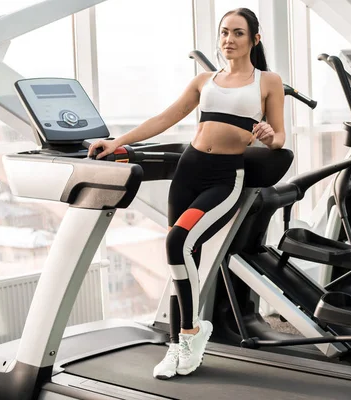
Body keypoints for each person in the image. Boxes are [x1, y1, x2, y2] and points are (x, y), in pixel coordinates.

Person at [87, 7, 285, 378]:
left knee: (178, 242)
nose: (229, 39)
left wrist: (270, 138)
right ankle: (177, 345)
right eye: (225, 32)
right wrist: (118, 142)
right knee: (180, 257)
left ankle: (191, 334)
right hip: (188, 172)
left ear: (254, 39)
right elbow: (165, 117)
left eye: (238, 33)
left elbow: (280, 137)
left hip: (225, 178)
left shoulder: (268, 81)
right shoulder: (204, 80)